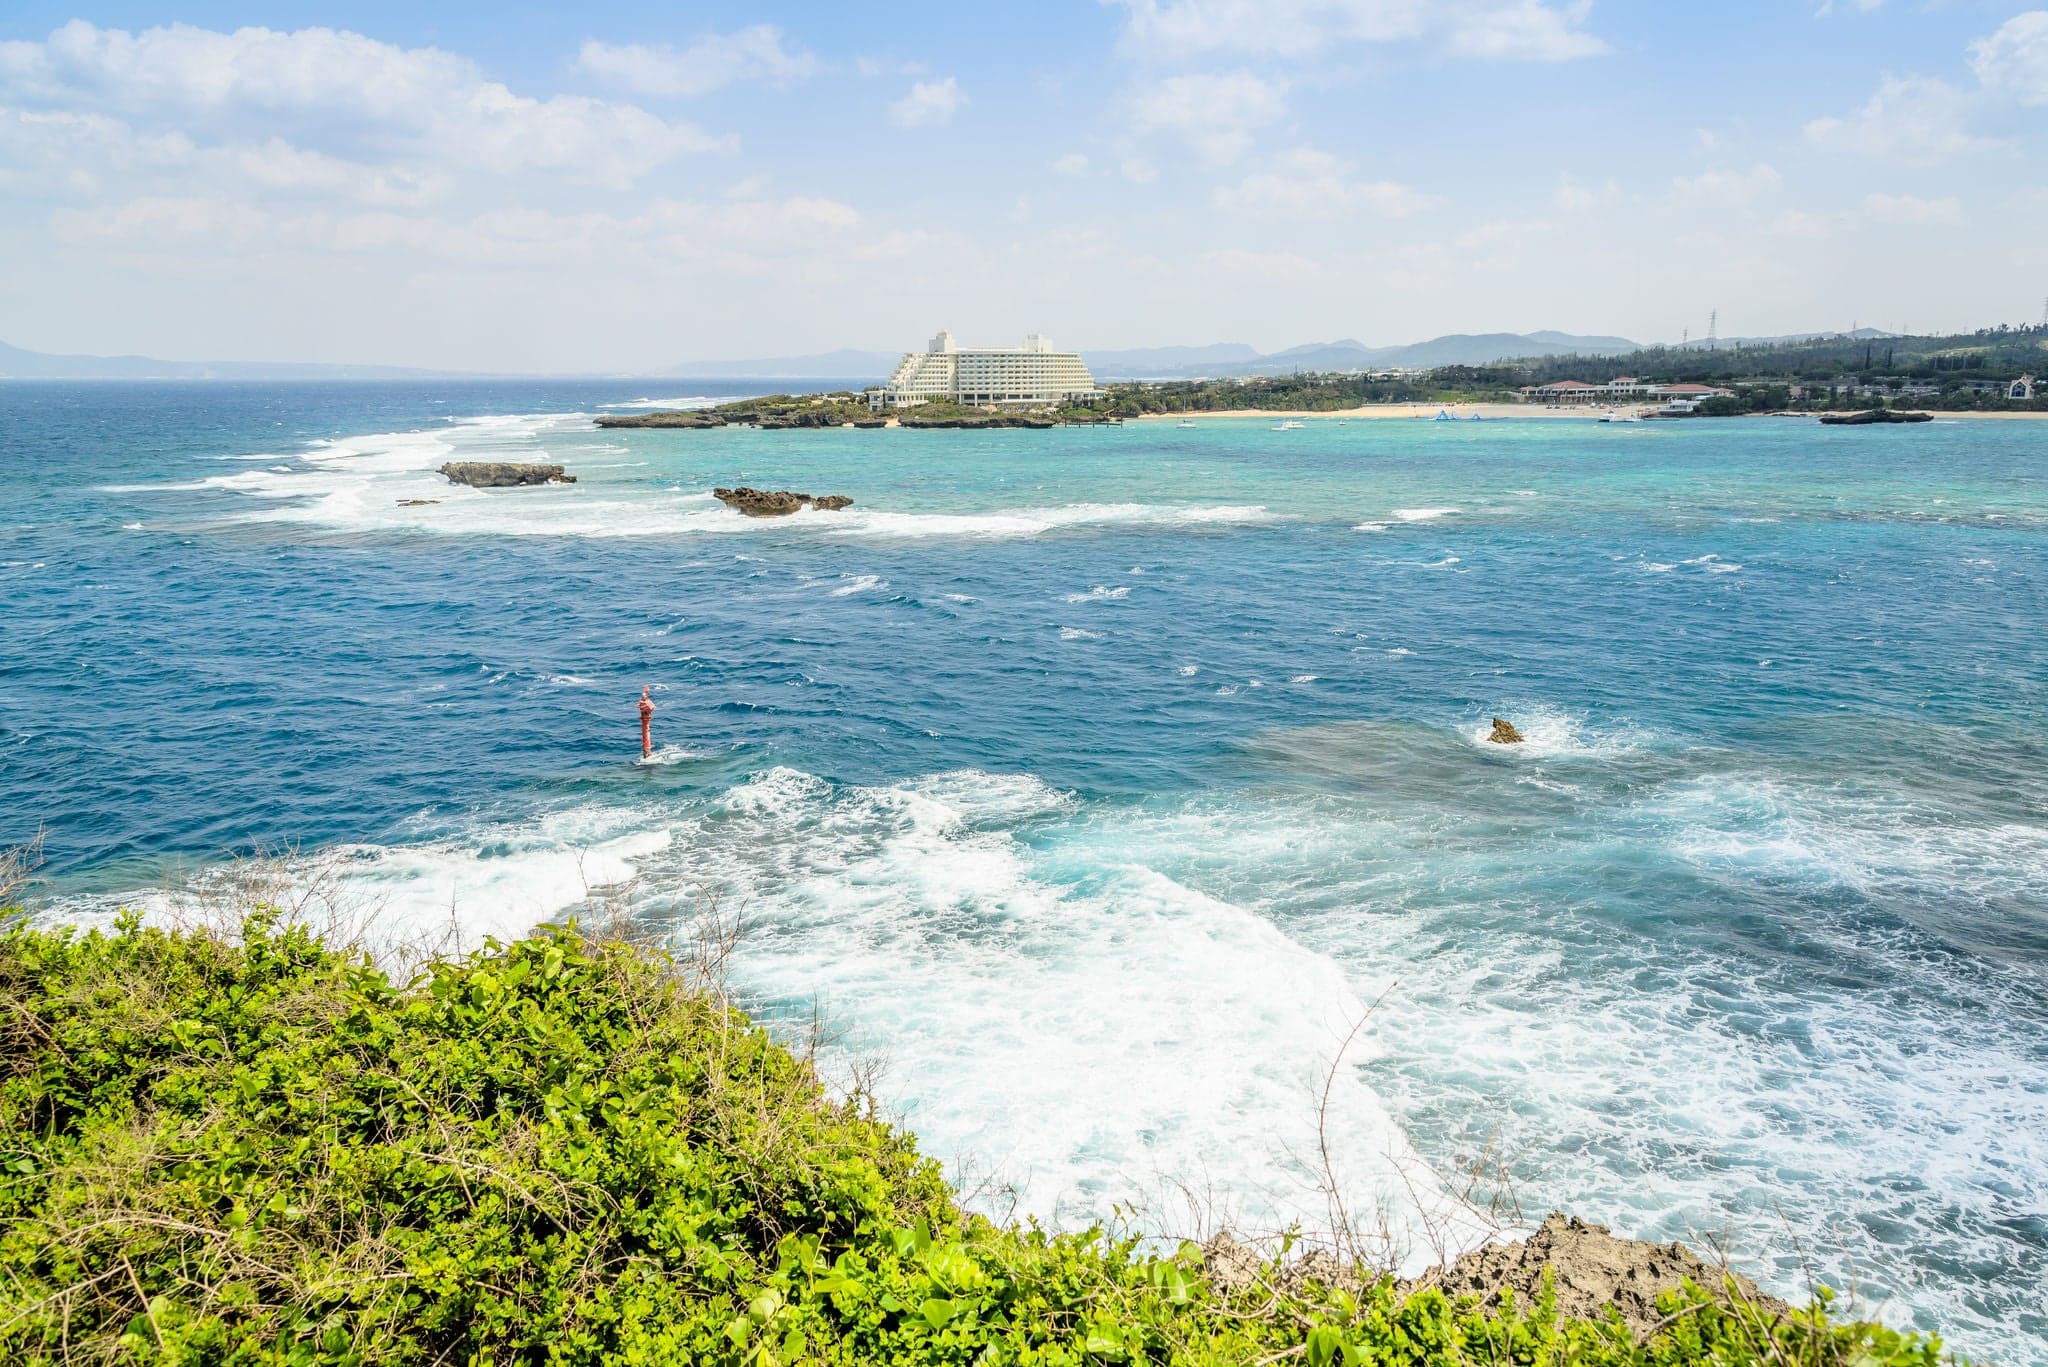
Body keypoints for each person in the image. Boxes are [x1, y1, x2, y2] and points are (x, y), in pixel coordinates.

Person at [638, 685, 655, 759]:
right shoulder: (645, 704)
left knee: (646, 733)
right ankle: (647, 753)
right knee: (646, 733)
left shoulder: (647, 704)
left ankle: (647, 753)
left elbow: (651, 707)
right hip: (645, 719)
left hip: (645, 718)